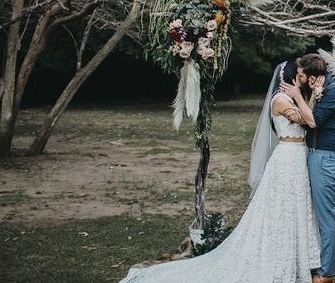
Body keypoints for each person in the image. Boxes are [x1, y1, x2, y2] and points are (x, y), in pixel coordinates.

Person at [119, 60, 322, 283]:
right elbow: (309, 121)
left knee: (296, 206)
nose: (304, 79)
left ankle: (297, 257)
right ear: (292, 78)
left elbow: (310, 117)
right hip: (286, 159)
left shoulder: (293, 98)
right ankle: (277, 256)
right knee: (282, 208)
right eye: (301, 76)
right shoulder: (280, 101)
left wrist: (308, 95)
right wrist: (307, 98)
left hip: (297, 157)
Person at [280, 53, 335, 283]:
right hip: (315, 156)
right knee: (316, 214)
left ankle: (327, 273)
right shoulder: (321, 88)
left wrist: (298, 96)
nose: (298, 79)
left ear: (313, 78)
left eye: (301, 76)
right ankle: (317, 262)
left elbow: (313, 121)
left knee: (325, 216)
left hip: (325, 159)